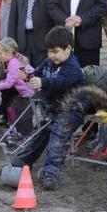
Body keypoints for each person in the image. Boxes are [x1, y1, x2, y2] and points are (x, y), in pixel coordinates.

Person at [10, 26, 86, 190]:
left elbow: (60, 83)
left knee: (58, 139)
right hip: (52, 108)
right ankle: (21, 164)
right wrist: (28, 77)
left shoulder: (73, 67)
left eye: (56, 51)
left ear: (68, 49)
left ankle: (50, 174)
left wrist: (42, 82)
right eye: (49, 52)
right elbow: (38, 74)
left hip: (72, 109)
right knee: (38, 134)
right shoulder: (49, 62)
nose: (52, 55)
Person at [0, 38, 35, 138]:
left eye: (0, 53)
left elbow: (9, 84)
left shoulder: (13, 64)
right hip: (26, 93)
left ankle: (26, 135)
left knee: (23, 116)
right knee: (12, 108)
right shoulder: (15, 61)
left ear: (9, 53)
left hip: (30, 93)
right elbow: (13, 78)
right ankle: (16, 130)